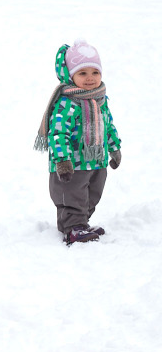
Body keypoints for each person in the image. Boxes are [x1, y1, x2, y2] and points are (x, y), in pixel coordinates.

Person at [35, 39, 121, 244]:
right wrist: (62, 160)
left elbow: (107, 125)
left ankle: (80, 223)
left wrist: (114, 148)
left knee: (93, 194)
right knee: (72, 196)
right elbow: (58, 133)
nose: (90, 78)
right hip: (72, 163)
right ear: (70, 75)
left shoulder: (99, 99)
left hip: (96, 161)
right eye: (83, 73)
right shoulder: (67, 103)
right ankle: (73, 227)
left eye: (95, 72)